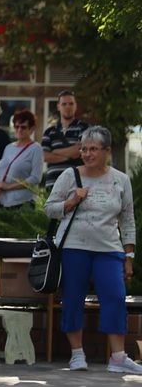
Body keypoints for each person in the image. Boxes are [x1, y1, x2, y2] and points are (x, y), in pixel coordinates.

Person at [44, 126, 142, 374]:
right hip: (74, 247)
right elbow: (49, 208)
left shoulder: (121, 180)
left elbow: (127, 219)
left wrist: (129, 256)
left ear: (107, 151)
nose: (87, 154)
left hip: (109, 249)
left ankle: (118, 358)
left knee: (115, 297)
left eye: (93, 149)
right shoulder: (69, 175)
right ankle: (77, 354)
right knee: (73, 298)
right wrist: (71, 201)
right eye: (84, 149)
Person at [0, 109, 43, 210]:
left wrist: (8, 186)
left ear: (32, 129)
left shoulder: (36, 148)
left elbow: (35, 178)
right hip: (2, 202)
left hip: (23, 202)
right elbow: (1, 172)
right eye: (16, 126)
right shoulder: (9, 147)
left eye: (23, 127)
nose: (19, 130)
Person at [41, 89, 89, 191]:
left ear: (76, 106)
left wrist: (55, 152)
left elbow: (80, 151)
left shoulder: (84, 128)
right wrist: (71, 155)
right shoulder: (49, 132)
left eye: (71, 104)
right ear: (58, 106)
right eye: (64, 104)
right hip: (53, 184)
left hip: (77, 184)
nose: (68, 107)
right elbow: (44, 156)